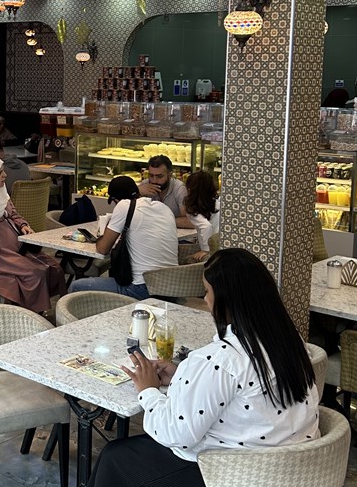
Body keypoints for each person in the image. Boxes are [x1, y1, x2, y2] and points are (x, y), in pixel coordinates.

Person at [88, 248, 319, 487]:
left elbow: (176, 435)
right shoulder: (291, 342)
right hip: (291, 467)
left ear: (226, 299)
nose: (205, 300)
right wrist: (183, 377)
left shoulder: (221, 358)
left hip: (231, 473)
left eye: (207, 292)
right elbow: (244, 395)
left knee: (115, 457)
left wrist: (148, 391)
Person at [0, 153, 66, 312]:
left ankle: (51, 311)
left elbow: (13, 214)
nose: (5, 175)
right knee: (34, 273)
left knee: (54, 267)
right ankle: (32, 316)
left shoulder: (0, 191)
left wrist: (23, 225)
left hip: (18, 246)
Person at [70, 176, 177, 300]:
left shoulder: (123, 206)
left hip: (142, 289)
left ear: (116, 200)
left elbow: (103, 248)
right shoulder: (164, 208)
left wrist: (106, 229)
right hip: (172, 288)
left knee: (76, 286)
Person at [138, 155, 194, 228]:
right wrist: (137, 192)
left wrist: (158, 221)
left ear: (170, 175)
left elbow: (190, 221)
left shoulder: (179, 189)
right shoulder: (144, 185)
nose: (154, 180)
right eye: (151, 176)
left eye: (159, 176)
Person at [184, 170, 220, 263]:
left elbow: (206, 226)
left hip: (211, 250)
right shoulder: (217, 202)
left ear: (189, 189)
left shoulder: (193, 208)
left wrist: (205, 249)